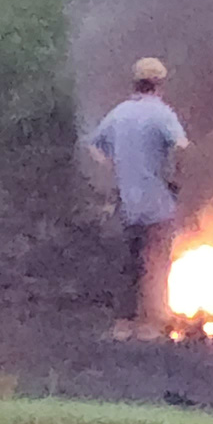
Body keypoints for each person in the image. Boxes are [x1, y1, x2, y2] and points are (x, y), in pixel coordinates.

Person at [87, 57, 189, 340]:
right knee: (156, 262)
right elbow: (181, 147)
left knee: (129, 264)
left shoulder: (119, 113)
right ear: (159, 84)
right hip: (157, 204)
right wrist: (175, 179)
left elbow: (94, 145)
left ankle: (123, 324)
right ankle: (151, 325)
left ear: (135, 82)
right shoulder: (162, 114)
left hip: (128, 205)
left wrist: (116, 169)